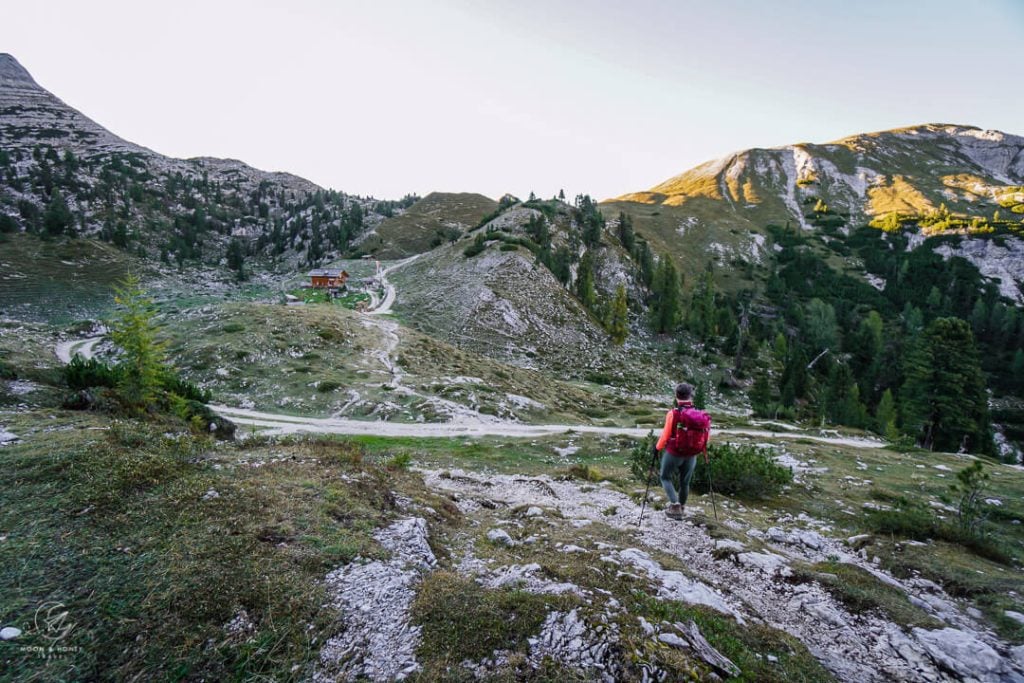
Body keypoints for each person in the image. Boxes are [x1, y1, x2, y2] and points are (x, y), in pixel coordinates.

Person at [652, 382, 709, 520]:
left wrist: (657, 448)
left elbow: (665, 435)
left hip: (674, 452)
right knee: (685, 482)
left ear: (676, 396)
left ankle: (675, 504)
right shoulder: (700, 414)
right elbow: (706, 436)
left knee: (665, 477)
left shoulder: (673, 413)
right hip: (692, 454)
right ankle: (682, 507)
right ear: (691, 396)